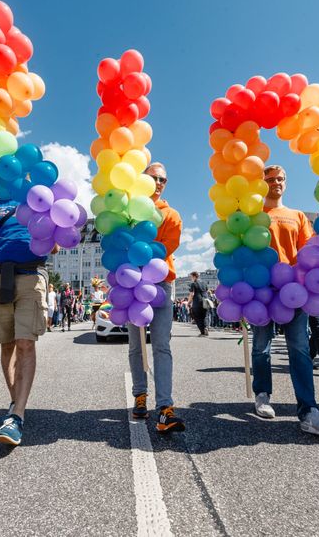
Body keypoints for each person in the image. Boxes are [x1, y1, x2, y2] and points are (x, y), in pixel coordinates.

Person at [251, 165, 319, 436]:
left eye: (280, 178)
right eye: (269, 179)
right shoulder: (253, 215)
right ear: (261, 183)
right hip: (262, 291)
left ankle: (309, 410)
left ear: (285, 183)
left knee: (299, 349)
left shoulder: (297, 215)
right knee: (261, 347)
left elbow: (309, 251)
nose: (275, 182)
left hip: (294, 291)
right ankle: (262, 394)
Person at [0, 195, 53, 446]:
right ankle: (15, 404)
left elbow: (54, 245)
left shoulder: (43, 199)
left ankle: (17, 415)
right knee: (7, 344)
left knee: (25, 343)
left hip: (32, 275)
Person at [129, 163, 184, 434]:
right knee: (136, 345)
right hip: (131, 282)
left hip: (162, 281)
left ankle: (165, 407)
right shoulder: (128, 210)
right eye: (154, 178)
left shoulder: (171, 214)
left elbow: (166, 247)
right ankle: (140, 396)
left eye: (163, 179)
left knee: (161, 344)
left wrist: (143, 256)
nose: (159, 182)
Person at [185, 271, 208, 336]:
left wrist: (188, 302)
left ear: (194, 276)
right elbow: (206, 291)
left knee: (197, 317)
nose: (191, 278)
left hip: (197, 301)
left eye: (191, 277)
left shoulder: (193, 284)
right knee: (204, 316)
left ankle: (202, 332)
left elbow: (192, 294)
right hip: (205, 301)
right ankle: (206, 327)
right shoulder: (204, 283)